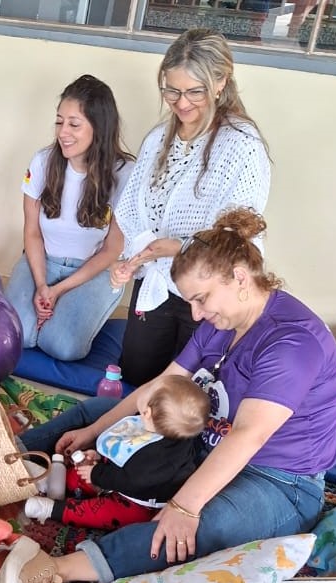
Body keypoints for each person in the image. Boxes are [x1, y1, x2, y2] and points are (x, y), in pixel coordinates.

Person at [0, 208, 336, 583]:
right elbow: (160, 386)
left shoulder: (291, 343)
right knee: (97, 410)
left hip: (278, 481)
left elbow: (249, 435)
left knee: (192, 529)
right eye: (190, 302)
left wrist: (185, 505)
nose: (196, 315)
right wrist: (94, 431)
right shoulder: (222, 322)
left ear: (240, 278)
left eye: (201, 299)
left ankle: (53, 568)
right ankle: (6, 461)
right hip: (205, 441)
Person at [111, 28, 271, 386]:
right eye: (172, 91)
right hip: (157, 283)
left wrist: (181, 248)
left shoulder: (241, 145)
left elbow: (239, 232)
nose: (181, 103)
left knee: (189, 391)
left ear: (220, 82)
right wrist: (135, 255)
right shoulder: (158, 139)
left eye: (194, 92)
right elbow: (133, 209)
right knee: (136, 376)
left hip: (209, 289)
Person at [4, 75, 134, 361]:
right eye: (59, 122)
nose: (63, 132)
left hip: (94, 270)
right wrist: (42, 285)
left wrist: (59, 290)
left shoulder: (124, 173)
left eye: (74, 124)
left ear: (99, 128)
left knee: (63, 347)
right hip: (43, 261)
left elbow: (113, 249)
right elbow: (32, 233)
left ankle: (70, 313)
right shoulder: (42, 161)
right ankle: (50, 311)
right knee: (17, 334)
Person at [22, 375, 209, 530]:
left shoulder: (160, 459)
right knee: (79, 472)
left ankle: (53, 510)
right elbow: (125, 449)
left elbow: (131, 480)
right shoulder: (161, 427)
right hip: (115, 476)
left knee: (100, 513)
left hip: (136, 502)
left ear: (147, 413)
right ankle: (51, 480)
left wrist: (96, 473)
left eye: (148, 389)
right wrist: (100, 457)